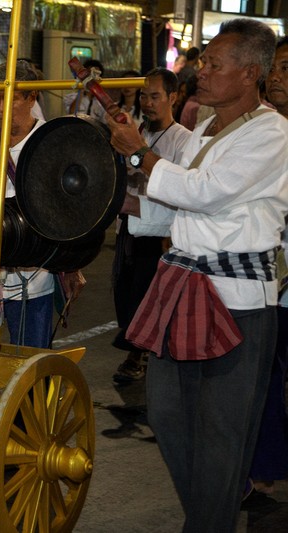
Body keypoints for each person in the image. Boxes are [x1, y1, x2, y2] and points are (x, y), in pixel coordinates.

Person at [106, 19, 288, 532]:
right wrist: (118, 199)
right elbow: (174, 204)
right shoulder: (205, 128)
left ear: (250, 73)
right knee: (167, 416)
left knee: (222, 433)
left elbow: (203, 191)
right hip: (184, 287)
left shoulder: (273, 133)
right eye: (202, 61)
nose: (200, 73)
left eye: (213, 64)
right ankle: (210, 517)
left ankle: (207, 523)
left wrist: (141, 153)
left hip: (239, 301)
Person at [0, 60, 85, 348]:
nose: (1, 107)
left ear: (31, 98)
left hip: (35, 275)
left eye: (11, 97)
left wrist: (72, 262)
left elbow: (68, 212)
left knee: (28, 358)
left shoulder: (51, 143)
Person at [111, 68, 191, 382]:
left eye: (155, 96)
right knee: (124, 290)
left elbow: (176, 188)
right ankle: (136, 347)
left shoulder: (184, 140)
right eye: (144, 95)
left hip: (158, 232)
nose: (148, 102)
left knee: (149, 296)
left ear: (174, 97)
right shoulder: (136, 131)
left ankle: (141, 356)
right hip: (127, 226)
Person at [247, 35, 288, 497]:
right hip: (268, 281)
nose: (276, 77)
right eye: (273, 68)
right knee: (267, 372)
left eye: (286, 69)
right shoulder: (260, 129)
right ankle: (261, 466)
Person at [63, 58, 107, 123]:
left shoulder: (101, 101)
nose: (93, 78)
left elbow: (104, 122)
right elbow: (71, 113)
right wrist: (81, 90)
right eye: (90, 74)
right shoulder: (70, 97)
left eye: (96, 75)